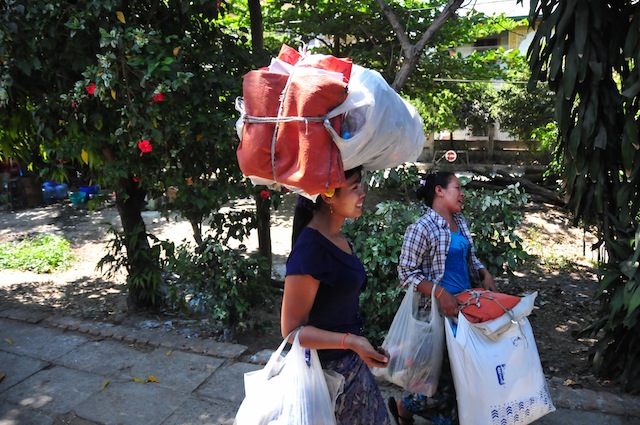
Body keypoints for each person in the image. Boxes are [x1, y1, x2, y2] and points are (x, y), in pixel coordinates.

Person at [281, 166, 392, 425]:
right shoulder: (310, 250)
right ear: (329, 195)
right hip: (327, 377)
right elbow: (290, 332)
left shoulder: (336, 237)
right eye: (354, 188)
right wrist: (351, 341)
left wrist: (360, 345)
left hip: (352, 371)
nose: (363, 193)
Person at [389, 171, 496, 425]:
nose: (462, 194)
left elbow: (469, 256)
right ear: (439, 191)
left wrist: (483, 271)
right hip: (436, 316)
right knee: (445, 378)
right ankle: (413, 409)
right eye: (457, 188)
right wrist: (439, 292)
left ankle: (406, 407)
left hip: (465, 310)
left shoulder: (460, 221)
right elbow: (405, 273)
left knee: (458, 374)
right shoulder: (422, 228)